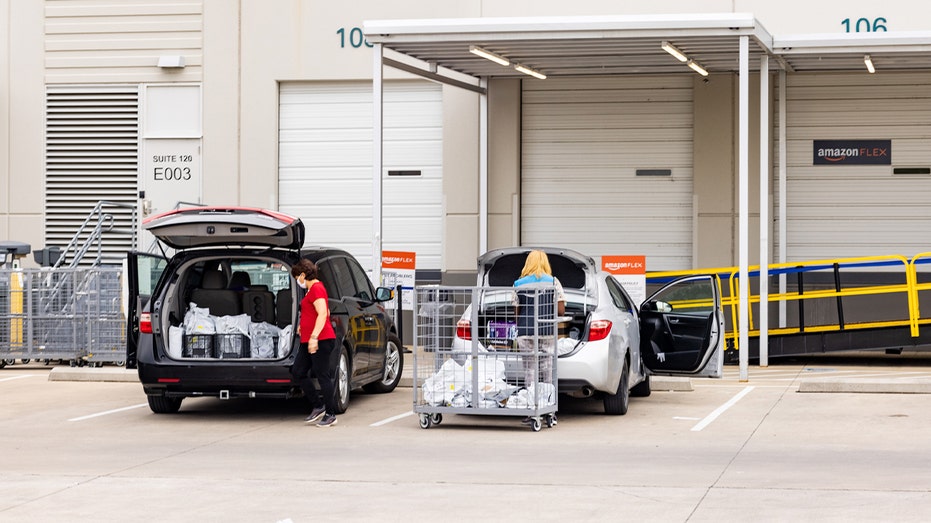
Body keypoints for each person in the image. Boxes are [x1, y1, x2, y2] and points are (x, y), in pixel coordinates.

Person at [512, 250, 565, 419]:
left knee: (530, 370)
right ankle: (548, 408)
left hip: (525, 332)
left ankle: (531, 408)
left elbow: (516, 312)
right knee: (547, 369)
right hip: (546, 331)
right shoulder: (553, 282)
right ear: (545, 263)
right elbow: (561, 310)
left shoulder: (518, 283)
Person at [290, 259, 339, 427]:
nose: (298, 281)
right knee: (298, 371)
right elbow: (322, 310)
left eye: (297, 277)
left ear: (303, 275)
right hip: (309, 339)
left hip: (320, 339)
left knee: (322, 375)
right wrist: (302, 325)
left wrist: (314, 337)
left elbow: (323, 314)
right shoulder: (312, 290)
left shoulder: (317, 288)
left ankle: (331, 413)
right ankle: (318, 406)